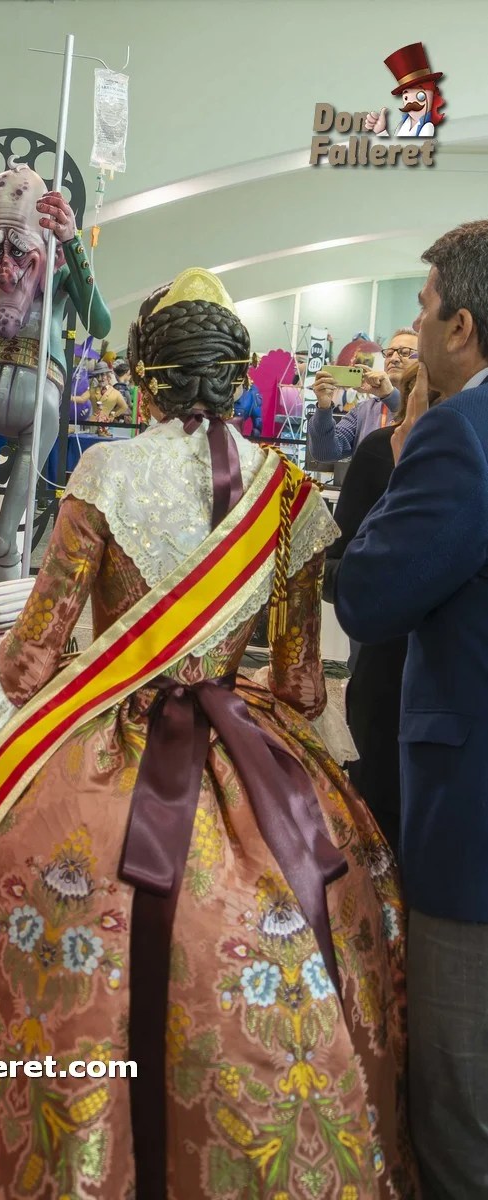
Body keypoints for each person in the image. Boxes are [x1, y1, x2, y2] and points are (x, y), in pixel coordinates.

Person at [0, 270, 417, 1200]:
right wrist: (241, 681)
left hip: (101, 753)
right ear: (236, 382)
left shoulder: (104, 472)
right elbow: (302, 686)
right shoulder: (289, 490)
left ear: (142, 382)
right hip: (248, 752)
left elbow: (31, 658)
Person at [336, 220, 488, 1200]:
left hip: (472, 825)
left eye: (425, 308)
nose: (414, 324)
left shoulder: (460, 437)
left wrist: (399, 456)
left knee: (457, 1102)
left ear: (461, 328)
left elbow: (370, 594)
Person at [323, 361, 438, 856]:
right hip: (384, 676)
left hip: (446, 691)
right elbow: (338, 570)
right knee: (378, 833)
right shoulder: (379, 451)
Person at [307, 328, 417, 462]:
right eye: (389, 354)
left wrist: (390, 395)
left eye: (404, 352)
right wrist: (323, 407)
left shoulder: (434, 404)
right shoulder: (364, 411)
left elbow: (417, 426)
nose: (393, 359)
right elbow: (324, 453)